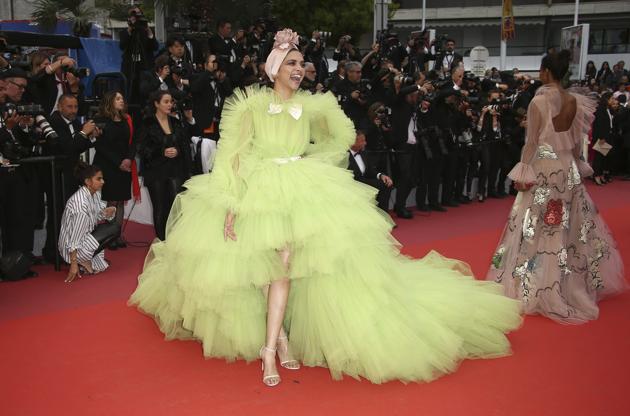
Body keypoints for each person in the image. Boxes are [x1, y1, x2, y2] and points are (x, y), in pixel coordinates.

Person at [129, 29, 521, 388]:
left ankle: (272, 346)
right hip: (260, 189)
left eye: (302, 64)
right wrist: (231, 203)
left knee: (282, 262)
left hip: (301, 187)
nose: (299, 70)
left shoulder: (313, 105)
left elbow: (345, 135)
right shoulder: (249, 105)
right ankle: (278, 339)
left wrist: (311, 159)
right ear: (274, 68)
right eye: (292, 63)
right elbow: (230, 156)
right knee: (270, 263)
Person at [486, 50, 626, 324]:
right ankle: (565, 283)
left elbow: (532, 142)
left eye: (540, 69)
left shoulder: (539, 100)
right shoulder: (573, 100)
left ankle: (538, 287)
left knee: (537, 227)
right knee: (567, 227)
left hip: (544, 167)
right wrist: (577, 166)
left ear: (547, 71)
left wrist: (523, 171)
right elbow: (575, 143)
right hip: (566, 170)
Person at [138, 91, 194, 240]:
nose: (170, 105)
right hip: (155, 171)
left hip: (175, 169)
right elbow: (141, 148)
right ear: (156, 104)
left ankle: (175, 239)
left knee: (176, 206)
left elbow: (185, 145)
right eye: (166, 102)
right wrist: (161, 152)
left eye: (171, 102)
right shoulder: (147, 123)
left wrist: (178, 151)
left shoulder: (176, 122)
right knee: (160, 208)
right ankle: (162, 242)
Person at [58, 162, 119, 283]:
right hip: (70, 248)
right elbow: (74, 238)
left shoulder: (94, 193)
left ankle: (86, 259)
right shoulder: (80, 204)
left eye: (102, 178)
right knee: (113, 229)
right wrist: (73, 264)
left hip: (83, 239)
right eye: (99, 179)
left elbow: (95, 217)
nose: (103, 182)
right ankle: (81, 260)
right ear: (88, 182)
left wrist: (107, 212)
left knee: (113, 227)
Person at [93, 91, 138, 249]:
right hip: (108, 164)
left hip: (124, 165)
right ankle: (109, 235)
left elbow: (133, 141)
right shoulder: (100, 120)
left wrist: (128, 159)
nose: (122, 101)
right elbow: (100, 145)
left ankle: (117, 234)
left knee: (120, 200)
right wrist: (118, 162)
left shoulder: (127, 119)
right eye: (118, 98)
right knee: (112, 199)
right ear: (110, 101)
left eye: (122, 98)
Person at [348, 130, 393, 212]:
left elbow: (371, 171)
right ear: (352, 142)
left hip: (364, 181)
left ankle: (383, 216)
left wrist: (381, 175)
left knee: (386, 184)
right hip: (352, 184)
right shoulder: (345, 155)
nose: (365, 143)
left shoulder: (364, 153)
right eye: (362, 141)